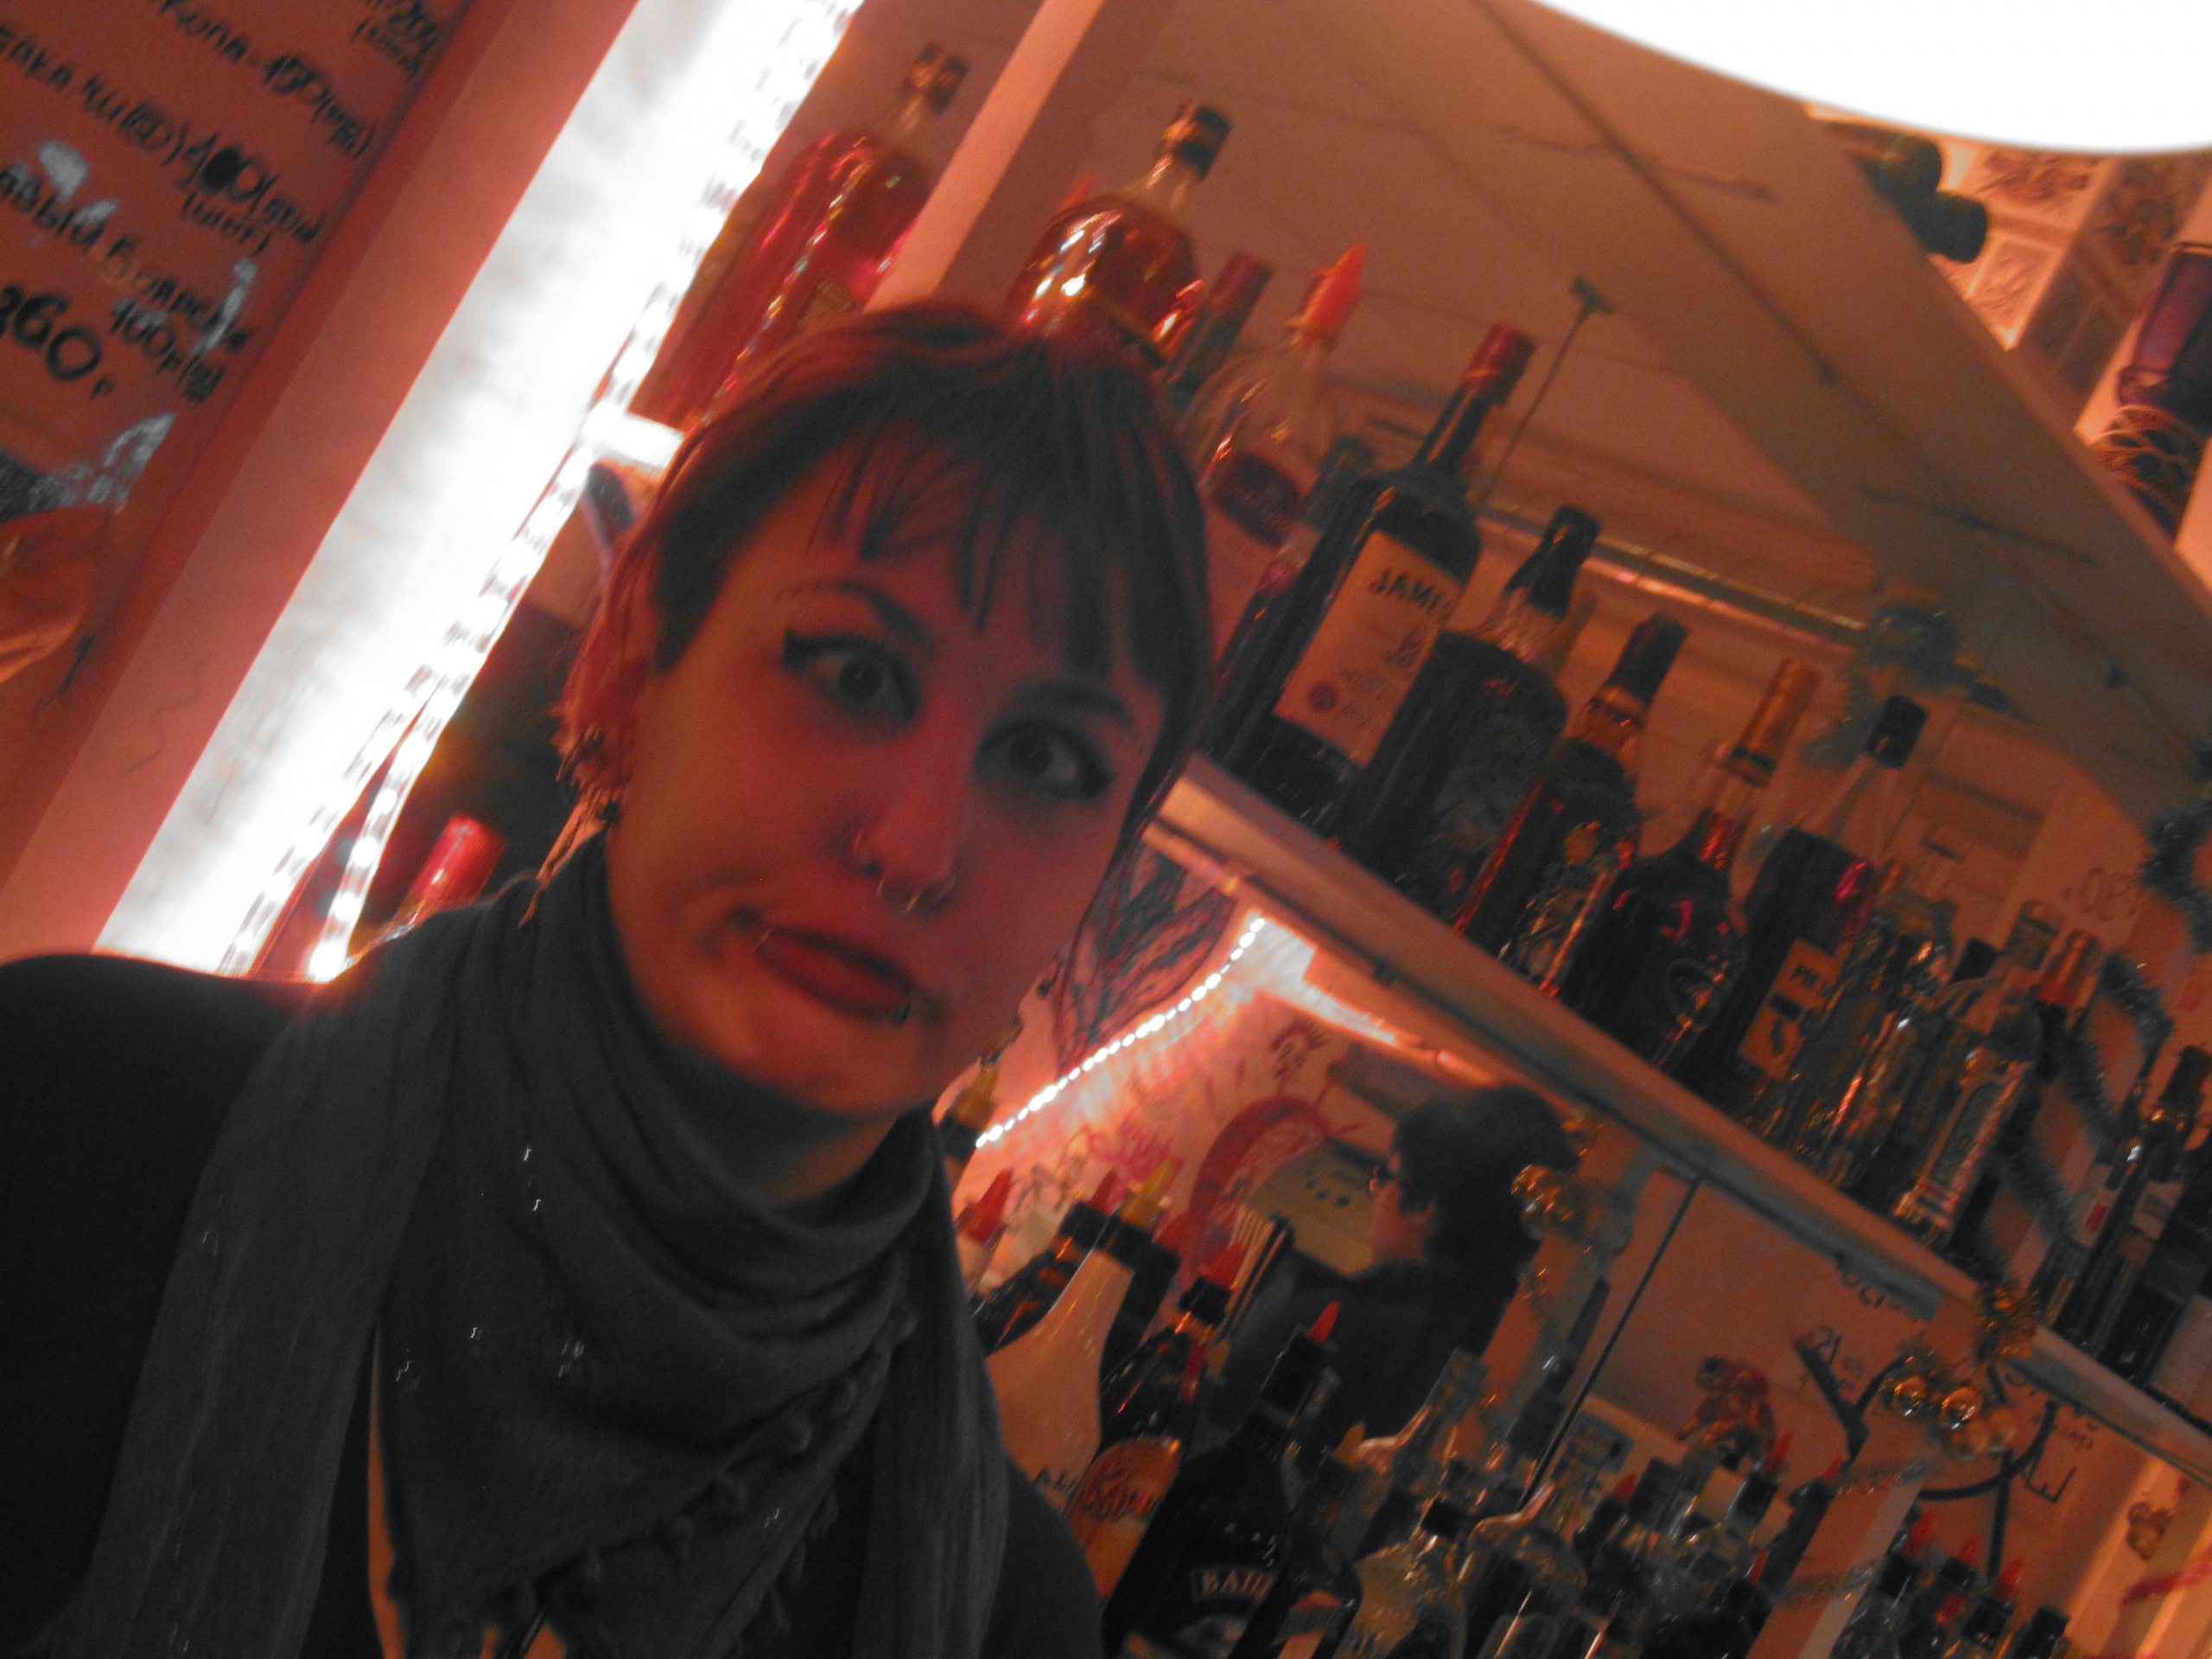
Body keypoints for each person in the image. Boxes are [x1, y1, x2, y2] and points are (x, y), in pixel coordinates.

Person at [0, 303, 1209, 1659]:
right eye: (856, 674)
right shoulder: (77, 1116)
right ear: (639, 656)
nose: (917, 846)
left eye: (1047, 761)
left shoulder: (999, 1613)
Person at [1216, 1086, 1578, 1451]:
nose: (1378, 1198)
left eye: (1388, 1176)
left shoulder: (1318, 1329)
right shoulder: (1510, 1381)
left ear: (1422, 1204)